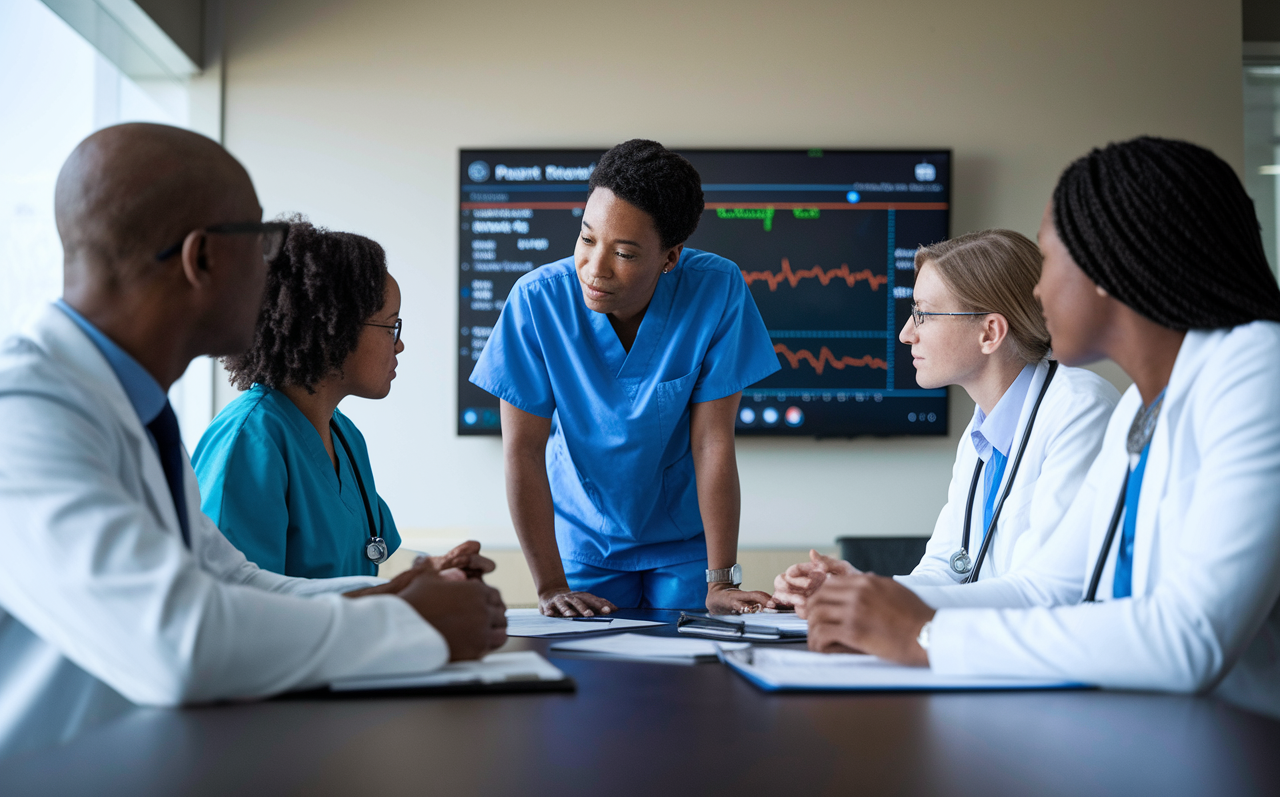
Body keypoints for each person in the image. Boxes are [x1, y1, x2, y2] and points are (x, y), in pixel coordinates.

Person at [0, 123, 507, 761]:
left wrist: (401, 592)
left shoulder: (131, 412)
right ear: (203, 257)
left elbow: (234, 581)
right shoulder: (22, 416)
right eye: (261, 239)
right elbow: (180, 640)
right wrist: (411, 625)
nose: (274, 268)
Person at [805, 137, 1280, 718]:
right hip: (1151, 727)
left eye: (1051, 261)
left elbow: (1191, 637)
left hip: (1240, 743)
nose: (1035, 288)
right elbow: (1045, 588)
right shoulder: (1139, 406)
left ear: (1109, 263)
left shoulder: (1260, 369)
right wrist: (872, 604)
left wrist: (926, 635)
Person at [469, 139, 781, 615]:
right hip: (582, 543)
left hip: (684, 547)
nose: (595, 269)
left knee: (690, 673)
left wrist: (720, 581)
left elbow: (713, 443)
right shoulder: (536, 301)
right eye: (587, 239)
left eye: (626, 254)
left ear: (670, 257)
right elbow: (523, 450)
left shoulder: (717, 289)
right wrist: (550, 585)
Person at [770, 230, 1119, 614]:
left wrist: (873, 599)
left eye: (923, 313)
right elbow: (946, 569)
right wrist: (855, 587)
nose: (906, 334)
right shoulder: (980, 435)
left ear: (990, 332)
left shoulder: (1079, 409)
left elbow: (1044, 592)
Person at [193, 218, 489, 580]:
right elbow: (235, 606)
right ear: (332, 329)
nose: (399, 344)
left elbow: (366, 557)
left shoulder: (345, 437)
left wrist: (432, 574)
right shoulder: (249, 442)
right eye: (391, 325)